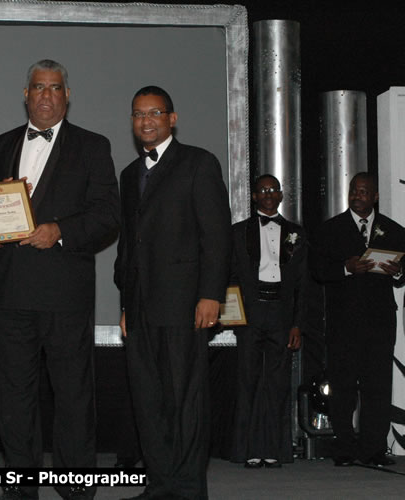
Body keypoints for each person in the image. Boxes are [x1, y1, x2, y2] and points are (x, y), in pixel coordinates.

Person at [0, 59, 120, 500]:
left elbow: (107, 216)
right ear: (25, 94)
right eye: (38, 87)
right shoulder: (1, 143)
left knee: (72, 394)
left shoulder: (93, 146)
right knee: (14, 397)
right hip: (10, 293)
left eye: (55, 88)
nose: (46, 95)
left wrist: (59, 230)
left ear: (67, 96)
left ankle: (76, 486)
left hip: (65, 293)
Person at [114, 86, 231, 500]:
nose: (145, 121)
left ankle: (187, 488)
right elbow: (128, 245)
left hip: (185, 305)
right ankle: (160, 484)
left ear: (172, 118)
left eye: (154, 113)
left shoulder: (198, 163)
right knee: (149, 400)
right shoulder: (129, 175)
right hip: (142, 307)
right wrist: (126, 303)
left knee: (186, 400)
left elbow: (216, 237)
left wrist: (210, 294)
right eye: (138, 114)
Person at [312, 172, 405, 467]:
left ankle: (374, 448)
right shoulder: (330, 229)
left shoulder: (394, 230)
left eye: (364, 192)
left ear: (375, 196)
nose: (358, 196)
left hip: (379, 322)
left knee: (377, 386)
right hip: (343, 322)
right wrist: (346, 268)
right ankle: (344, 447)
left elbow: (404, 271)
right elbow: (317, 271)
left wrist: (398, 273)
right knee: (343, 387)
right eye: (354, 191)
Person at [229, 174, 306, 469]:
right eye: (263, 190)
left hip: (281, 313)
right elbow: (230, 274)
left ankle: (275, 450)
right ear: (254, 197)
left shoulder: (296, 233)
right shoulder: (238, 232)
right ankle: (247, 449)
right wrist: (232, 312)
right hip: (250, 311)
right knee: (247, 379)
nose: (269, 194)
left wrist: (297, 323)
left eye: (273, 189)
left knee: (277, 382)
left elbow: (301, 284)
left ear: (281, 195)